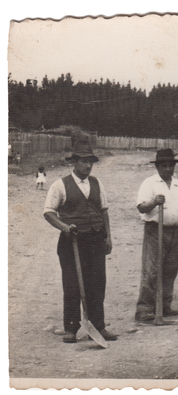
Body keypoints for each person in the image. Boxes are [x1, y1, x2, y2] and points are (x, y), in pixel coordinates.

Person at [43, 137, 117, 343]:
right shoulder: (60, 185)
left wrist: (108, 236)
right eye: (83, 161)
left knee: (97, 283)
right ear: (74, 162)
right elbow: (48, 213)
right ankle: (72, 328)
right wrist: (65, 227)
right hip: (71, 242)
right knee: (72, 284)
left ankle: (98, 326)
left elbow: (104, 211)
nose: (87, 165)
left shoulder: (97, 183)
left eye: (90, 161)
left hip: (95, 241)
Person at [135, 149, 178, 322]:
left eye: (170, 165)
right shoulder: (150, 183)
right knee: (152, 270)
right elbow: (141, 207)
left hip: (175, 231)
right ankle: (145, 308)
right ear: (158, 166)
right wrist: (154, 202)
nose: (168, 169)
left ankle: (164, 304)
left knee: (170, 269)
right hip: (155, 230)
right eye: (164, 166)